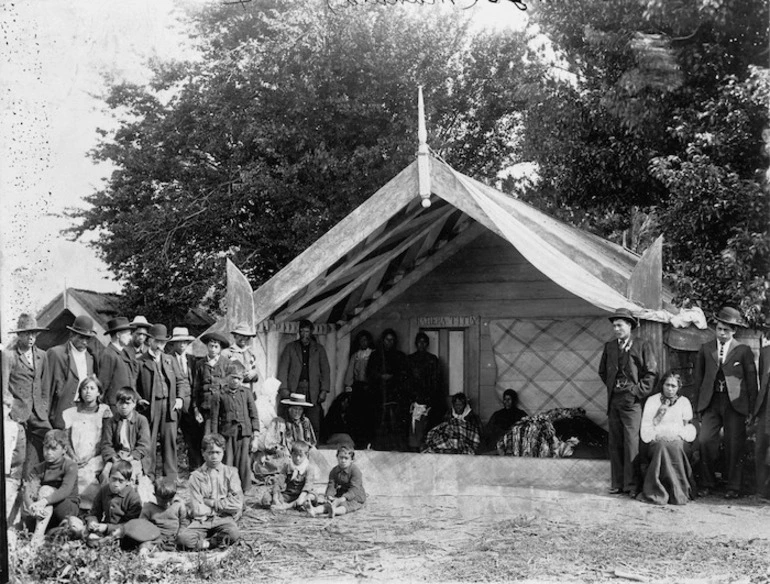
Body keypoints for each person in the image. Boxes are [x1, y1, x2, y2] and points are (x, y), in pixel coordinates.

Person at [693, 306, 758, 499]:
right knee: (705, 441)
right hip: (711, 402)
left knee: (734, 444)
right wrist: (698, 407)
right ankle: (707, 482)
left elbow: (752, 382)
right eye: (719, 328)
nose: (722, 333)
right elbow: (699, 380)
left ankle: (733, 486)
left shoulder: (743, 350)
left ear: (734, 331)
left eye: (726, 330)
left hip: (735, 404)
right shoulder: (706, 349)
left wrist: (751, 411)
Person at [598, 308, 658, 498]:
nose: (616, 329)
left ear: (630, 326)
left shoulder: (642, 345)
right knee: (615, 441)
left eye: (620, 325)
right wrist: (613, 387)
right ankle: (617, 483)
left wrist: (636, 391)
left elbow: (651, 373)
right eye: (614, 326)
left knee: (632, 443)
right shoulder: (609, 347)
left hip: (632, 401)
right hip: (614, 399)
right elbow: (602, 372)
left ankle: (632, 485)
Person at [135, 324, 191, 482]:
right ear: (150, 341)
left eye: (163, 342)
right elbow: (132, 386)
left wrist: (179, 398)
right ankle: (149, 476)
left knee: (170, 441)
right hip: (150, 408)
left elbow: (181, 381)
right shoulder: (140, 361)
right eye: (157, 342)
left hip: (169, 406)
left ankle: (171, 477)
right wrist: (139, 399)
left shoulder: (170, 360)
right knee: (149, 443)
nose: (160, 346)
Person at [177, 433, 244, 550]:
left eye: (218, 452)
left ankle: (211, 541)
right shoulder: (196, 476)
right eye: (210, 453)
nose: (214, 457)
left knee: (234, 534)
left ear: (223, 452)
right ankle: (211, 543)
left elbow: (237, 504)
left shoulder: (231, 473)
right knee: (183, 540)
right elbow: (198, 509)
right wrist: (224, 504)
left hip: (224, 518)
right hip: (202, 521)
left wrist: (211, 503)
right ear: (203, 453)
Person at [1, 314, 49, 474]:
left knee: (50, 441)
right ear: (19, 335)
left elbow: (45, 386)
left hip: (38, 413)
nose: (31, 337)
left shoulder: (42, 355)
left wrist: (44, 407)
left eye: (34, 333)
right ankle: (13, 486)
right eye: (27, 333)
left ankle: (35, 484)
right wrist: (10, 408)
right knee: (18, 455)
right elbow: (3, 387)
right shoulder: (9, 355)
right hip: (17, 413)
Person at [640, 372, 697, 505]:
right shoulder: (652, 401)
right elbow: (646, 427)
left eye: (673, 386)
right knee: (661, 446)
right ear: (662, 385)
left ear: (678, 387)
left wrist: (677, 435)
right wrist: (658, 432)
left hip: (677, 438)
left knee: (675, 446)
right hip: (657, 437)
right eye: (667, 385)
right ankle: (657, 489)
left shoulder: (684, 402)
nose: (670, 389)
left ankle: (678, 491)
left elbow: (688, 427)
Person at [62, 375, 112, 510]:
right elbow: (65, 438)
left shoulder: (104, 411)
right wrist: (73, 456)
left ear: (99, 392)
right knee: (72, 471)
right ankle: (72, 508)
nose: (88, 391)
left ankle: (91, 509)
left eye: (92, 388)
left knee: (88, 474)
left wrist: (89, 457)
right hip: (75, 456)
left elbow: (106, 438)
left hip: (95, 455)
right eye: (85, 388)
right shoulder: (71, 412)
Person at [208, 361, 260, 489]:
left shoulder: (246, 393)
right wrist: (215, 440)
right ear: (227, 377)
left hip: (244, 435)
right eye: (233, 377)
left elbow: (254, 415)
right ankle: (228, 490)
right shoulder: (219, 395)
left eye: (239, 378)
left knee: (244, 464)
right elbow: (214, 419)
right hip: (227, 435)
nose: (236, 381)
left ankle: (243, 493)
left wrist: (256, 437)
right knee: (228, 463)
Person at [22, 429, 79, 544]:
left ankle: (36, 539)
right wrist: (32, 507)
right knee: (27, 522)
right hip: (44, 511)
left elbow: (65, 490)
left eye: (53, 449)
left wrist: (44, 501)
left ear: (64, 450)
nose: (48, 452)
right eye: (46, 448)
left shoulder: (69, 466)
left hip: (66, 508)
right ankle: (49, 533)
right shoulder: (38, 469)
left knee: (45, 489)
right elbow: (29, 493)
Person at [277, 320, 330, 438]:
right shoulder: (290, 348)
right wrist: (284, 389)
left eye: (307, 332)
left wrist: (324, 390)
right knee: (292, 418)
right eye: (301, 331)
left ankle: (313, 446)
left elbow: (325, 371)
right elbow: (283, 369)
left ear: (311, 332)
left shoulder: (319, 349)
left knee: (313, 420)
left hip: (313, 390)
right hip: (295, 388)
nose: (304, 335)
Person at [44, 314, 97, 430]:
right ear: (72, 334)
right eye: (81, 337)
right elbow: (46, 389)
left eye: (88, 338)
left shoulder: (90, 358)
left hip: (82, 417)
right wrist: (45, 421)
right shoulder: (56, 354)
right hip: (59, 417)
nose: (84, 342)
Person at [366, 329, 410, 451]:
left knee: (395, 423)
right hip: (379, 394)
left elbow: (404, 375)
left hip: (395, 395)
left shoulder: (400, 356)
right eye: (387, 340)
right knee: (379, 422)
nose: (389, 342)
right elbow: (370, 373)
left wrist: (392, 377)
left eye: (392, 340)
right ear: (383, 340)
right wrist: (380, 377)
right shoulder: (375, 356)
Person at [167, 327, 203, 470]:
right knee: (172, 436)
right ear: (173, 344)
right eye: (179, 342)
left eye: (185, 342)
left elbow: (196, 382)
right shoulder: (167, 359)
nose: (182, 345)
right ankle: (171, 470)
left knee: (193, 435)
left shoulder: (192, 359)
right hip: (173, 402)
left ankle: (195, 467)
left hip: (189, 403)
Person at [100, 388, 152, 485]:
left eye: (127, 403)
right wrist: (114, 458)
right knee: (105, 473)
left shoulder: (141, 420)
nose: (124, 407)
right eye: (120, 403)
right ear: (116, 404)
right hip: (117, 456)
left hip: (134, 457)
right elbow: (106, 444)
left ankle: (129, 498)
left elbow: (144, 445)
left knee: (130, 475)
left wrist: (131, 457)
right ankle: (108, 497)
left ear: (134, 404)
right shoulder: (111, 422)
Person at [85, 460, 142, 546]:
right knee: (88, 535)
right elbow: (94, 512)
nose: (116, 484)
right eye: (114, 479)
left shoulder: (133, 498)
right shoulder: (104, 490)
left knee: (128, 541)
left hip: (123, 531)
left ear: (128, 482)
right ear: (109, 477)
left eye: (121, 481)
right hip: (105, 528)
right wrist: (93, 522)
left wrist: (107, 528)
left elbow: (130, 525)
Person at [307, 445, 366, 517]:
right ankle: (315, 511)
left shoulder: (355, 471)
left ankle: (334, 511)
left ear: (351, 460)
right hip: (342, 492)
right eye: (341, 457)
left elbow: (354, 488)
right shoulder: (334, 471)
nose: (343, 460)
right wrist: (329, 496)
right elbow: (331, 485)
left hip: (355, 495)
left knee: (346, 506)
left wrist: (342, 499)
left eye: (346, 458)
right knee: (329, 503)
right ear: (337, 457)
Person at [137, 477, 189, 553]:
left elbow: (184, 522)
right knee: (144, 545)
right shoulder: (149, 508)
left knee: (187, 541)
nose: (167, 504)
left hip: (175, 538)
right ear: (155, 495)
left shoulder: (178, 505)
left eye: (169, 500)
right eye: (163, 501)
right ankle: (146, 554)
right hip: (156, 538)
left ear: (174, 495)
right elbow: (142, 525)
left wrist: (179, 535)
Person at [407, 332, 444, 432]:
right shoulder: (410, 359)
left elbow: (437, 379)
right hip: (414, 395)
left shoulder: (432, 359)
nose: (421, 344)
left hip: (429, 395)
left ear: (427, 344)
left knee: (428, 421)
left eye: (424, 342)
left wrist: (431, 395)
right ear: (416, 343)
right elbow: (408, 378)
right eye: (419, 342)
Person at [194, 331, 231, 429]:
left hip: (223, 408)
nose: (213, 349)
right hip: (206, 408)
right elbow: (196, 388)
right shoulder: (200, 364)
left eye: (216, 347)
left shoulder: (227, 363)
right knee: (208, 438)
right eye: (211, 346)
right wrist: (196, 409)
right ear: (207, 346)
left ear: (220, 348)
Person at [97, 317, 136, 409]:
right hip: (114, 406)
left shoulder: (125, 353)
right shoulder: (108, 354)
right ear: (118, 335)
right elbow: (103, 383)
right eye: (128, 334)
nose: (130, 338)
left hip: (127, 405)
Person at [343, 330, 374, 447]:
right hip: (358, 388)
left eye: (365, 340)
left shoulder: (373, 354)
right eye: (361, 340)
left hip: (369, 388)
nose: (363, 343)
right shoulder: (355, 356)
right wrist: (349, 387)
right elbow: (350, 374)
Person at [271, 440, 319, 511]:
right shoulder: (287, 467)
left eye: (300, 456)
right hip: (289, 495)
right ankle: (295, 505)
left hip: (303, 494)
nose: (297, 458)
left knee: (309, 497)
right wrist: (275, 498)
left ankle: (287, 506)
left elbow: (308, 485)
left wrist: (301, 497)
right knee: (267, 498)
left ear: (306, 455)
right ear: (291, 454)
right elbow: (278, 482)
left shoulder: (309, 468)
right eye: (295, 455)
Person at [753, 328, 770, 499]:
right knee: (761, 447)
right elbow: (762, 380)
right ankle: (762, 490)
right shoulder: (765, 352)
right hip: (766, 407)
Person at [228, 322, 260, 391]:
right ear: (235, 336)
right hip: (232, 393)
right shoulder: (228, 353)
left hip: (248, 391)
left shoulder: (251, 354)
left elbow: (255, 373)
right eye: (240, 336)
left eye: (246, 337)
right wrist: (242, 376)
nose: (243, 339)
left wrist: (253, 374)